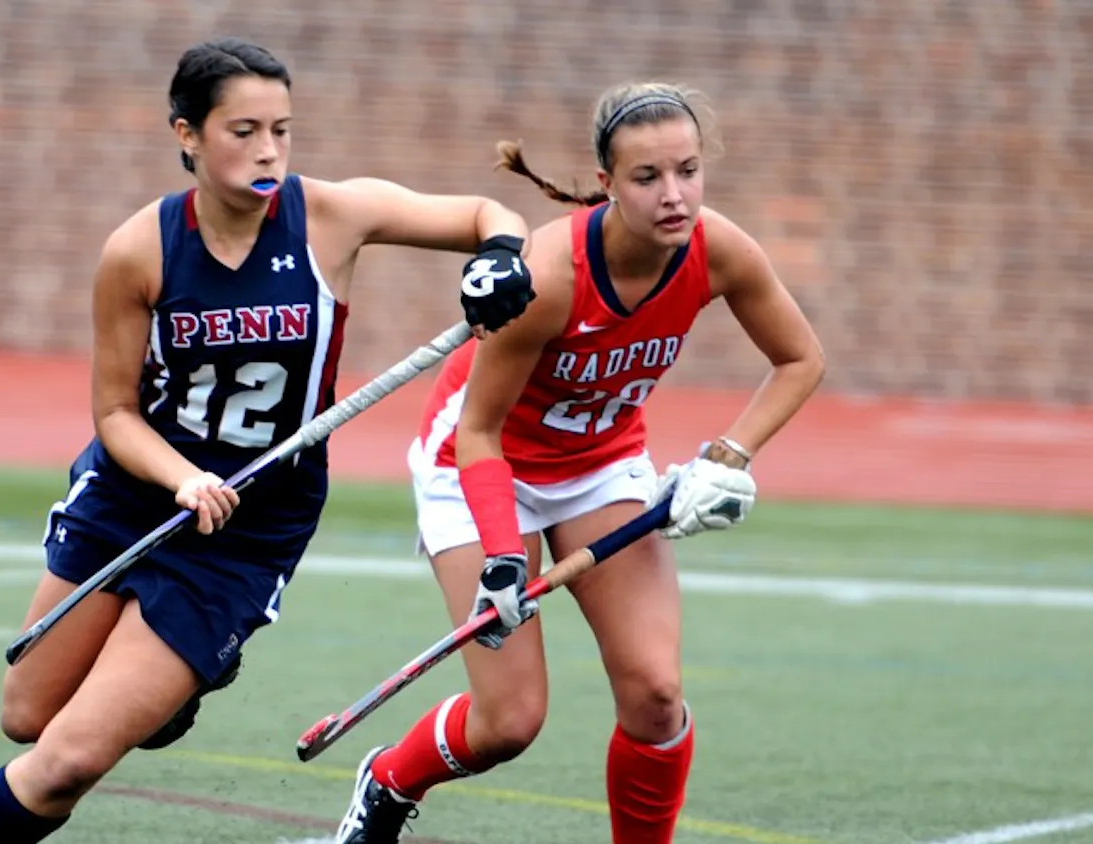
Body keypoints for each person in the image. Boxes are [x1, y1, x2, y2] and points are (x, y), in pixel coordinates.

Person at [0, 36, 536, 844]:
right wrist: (181, 479)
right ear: (187, 135)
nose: (268, 149)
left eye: (282, 129)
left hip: (247, 528)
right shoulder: (140, 249)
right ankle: (183, 685)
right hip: (137, 496)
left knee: (64, 763)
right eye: (243, 131)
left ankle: (183, 659)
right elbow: (115, 415)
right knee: (27, 717)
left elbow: (489, 214)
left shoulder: (332, 218)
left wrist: (501, 256)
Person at [332, 81, 826, 844]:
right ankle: (390, 782)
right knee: (509, 723)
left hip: (601, 463)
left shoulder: (717, 249)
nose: (675, 195)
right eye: (647, 178)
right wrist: (503, 558)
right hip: (479, 464)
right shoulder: (552, 275)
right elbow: (479, 434)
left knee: (656, 694)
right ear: (606, 185)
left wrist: (729, 454)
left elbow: (799, 359)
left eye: (688, 171)